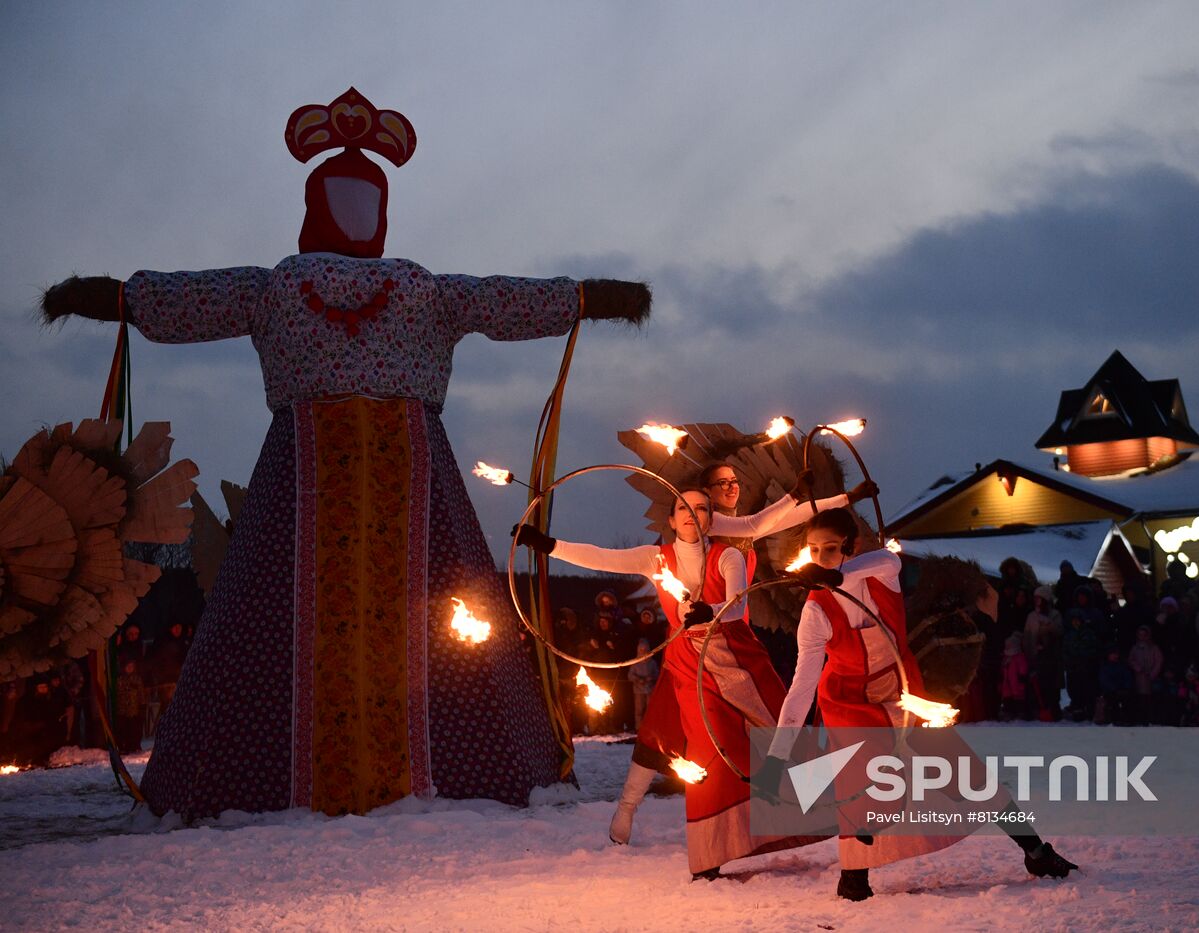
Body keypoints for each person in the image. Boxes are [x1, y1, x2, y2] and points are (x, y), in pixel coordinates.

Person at [41, 89, 653, 818]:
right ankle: (444, 768)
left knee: (287, 626)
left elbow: (189, 299)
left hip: (316, 479)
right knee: (431, 629)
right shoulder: (408, 288)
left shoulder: (286, 287)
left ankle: (274, 776)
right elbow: (502, 300)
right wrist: (590, 297)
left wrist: (114, 298)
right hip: (393, 480)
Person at [757, 512, 1076, 901]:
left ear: (852, 548)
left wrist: (836, 576)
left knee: (962, 768)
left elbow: (887, 559)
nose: (821, 557)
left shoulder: (882, 574)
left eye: (832, 549)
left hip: (903, 695)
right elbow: (802, 687)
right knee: (860, 782)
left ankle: (1036, 851)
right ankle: (854, 878)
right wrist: (776, 758)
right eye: (814, 550)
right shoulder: (815, 611)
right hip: (850, 705)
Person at [515, 489, 820, 880]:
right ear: (672, 520)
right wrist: (548, 545)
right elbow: (600, 556)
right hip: (689, 666)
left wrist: (708, 610)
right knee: (711, 749)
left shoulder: (727, 555)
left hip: (739, 659)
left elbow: (738, 603)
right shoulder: (655, 558)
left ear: (712, 519)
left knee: (781, 733)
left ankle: (824, 814)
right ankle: (710, 850)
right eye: (683, 508)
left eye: (703, 509)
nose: (693, 515)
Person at [605, 464, 869, 846]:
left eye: (734, 482)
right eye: (720, 484)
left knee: (773, 722)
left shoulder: (733, 530)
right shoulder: (714, 528)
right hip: (688, 647)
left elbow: (772, 520)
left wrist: (845, 499)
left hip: (733, 640)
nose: (730, 488)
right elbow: (763, 519)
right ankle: (629, 808)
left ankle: (814, 806)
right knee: (661, 729)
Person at [628, 639, 659, 727]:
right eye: (641, 650)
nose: (643, 652)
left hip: (650, 690)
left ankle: (650, 727)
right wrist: (638, 679)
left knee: (650, 710)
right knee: (639, 711)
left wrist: (651, 678)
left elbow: (657, 674)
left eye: (645, 650)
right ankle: (639, 727)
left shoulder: (652, 663)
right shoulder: (635, 663)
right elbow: (630, 676)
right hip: (639, 691)